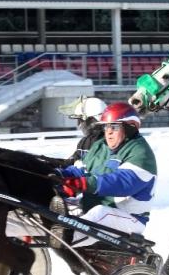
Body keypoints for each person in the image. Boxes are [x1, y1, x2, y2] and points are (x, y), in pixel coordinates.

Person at [57, 101, 157, 247]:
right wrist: (59, 175)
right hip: (93, 211)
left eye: (114, 126)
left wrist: (83, 183)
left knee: (101, 212)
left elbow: (122, 182)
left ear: (129, 128)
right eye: (106, 126)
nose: (108, 131)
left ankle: (63, 238)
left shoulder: (141, 153)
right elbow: (81, 170)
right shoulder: (100, 146)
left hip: (129, 218)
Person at [57, 95, 108, 166]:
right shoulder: (85, 142)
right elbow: (69, 163)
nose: (79, 125)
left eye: (80, 120)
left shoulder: (108, 144)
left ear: (92, 120)